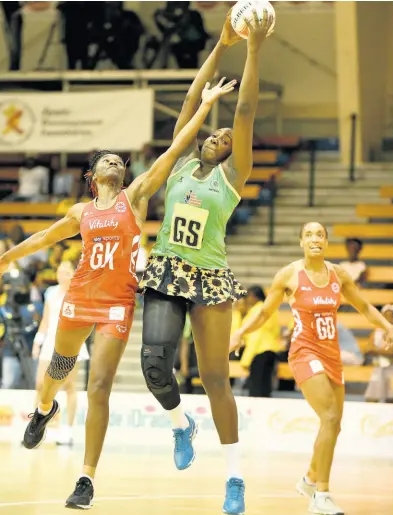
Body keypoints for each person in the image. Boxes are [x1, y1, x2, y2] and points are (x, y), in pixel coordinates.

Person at [0, 78, 236, 510]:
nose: (116, 162)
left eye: (118, 159)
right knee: (59, 366)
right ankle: (44, 409)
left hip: (117, 304)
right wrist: (3, 259)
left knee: (99, 387)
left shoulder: (136, 196)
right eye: (107, 160)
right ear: (93, 177)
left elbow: (172, 151)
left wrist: (203, 107)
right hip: (81, 296)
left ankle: (85, 479)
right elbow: (40, 240)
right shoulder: (80, 212)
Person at [139, 10, 273, 515]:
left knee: (216, 378)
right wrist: (220, 44)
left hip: (211, 277)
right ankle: (181, 425)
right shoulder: (176, 168)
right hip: (167, 267)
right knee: (154, 364)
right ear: (198, 140)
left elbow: (245, 113)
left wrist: (253, 49)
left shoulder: (233, 175)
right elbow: (194, 101)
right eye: (212, 134)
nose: (220, 135)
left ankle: (234, 477)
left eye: (224, 136)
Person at [230, 222, 393, 515]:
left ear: (327, 241)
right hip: (304, 353)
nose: (315, 239)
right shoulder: (289, 275)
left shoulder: (339, 274)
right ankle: (321, 495)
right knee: (330, 417)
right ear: (301, 242)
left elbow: (365, 307)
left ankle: (309, 477)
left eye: (320, 234)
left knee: (334, 424)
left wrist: (389, 326)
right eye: (308, 234)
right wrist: (240, 332)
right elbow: (266, 312)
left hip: (331, 354)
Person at [32, 260, 90, 446]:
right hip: (50, 342)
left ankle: (68, 431)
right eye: (60, 270)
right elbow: (46, 320)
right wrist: (37, 342)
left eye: (66, 271)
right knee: (40, 384)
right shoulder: (50, 292)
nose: (61, 273)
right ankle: (36, 428)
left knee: (69, 386)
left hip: (71, 343)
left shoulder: (79, 292)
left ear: (74, 273)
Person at [238, 286, 281, 398]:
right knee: (266, 387)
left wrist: (247, 359)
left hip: (258, 351)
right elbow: (276, 331)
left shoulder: (257, 311)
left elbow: (255, 336)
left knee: (256, 388)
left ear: (253, 296)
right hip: (271, 350)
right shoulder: (271, 309)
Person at [365, 303, 393, 403]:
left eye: (390, 316)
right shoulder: (376, 332)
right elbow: (368, 349)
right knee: (371, 397)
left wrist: (376, 350)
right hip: (378, 368)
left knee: (392, 398)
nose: (387, 319)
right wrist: (382, 351)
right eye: (385, 316)